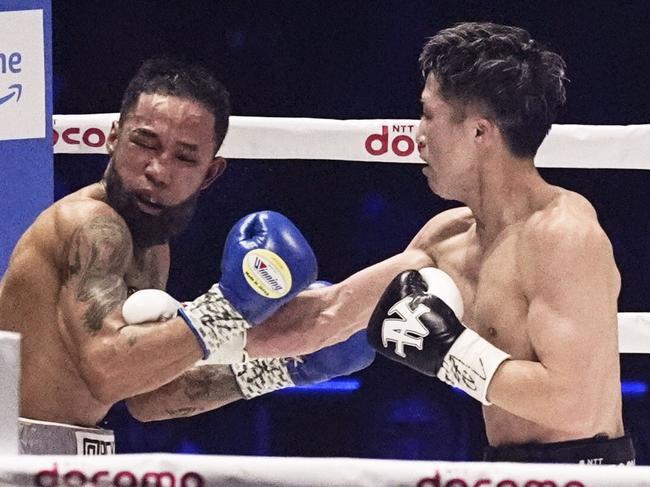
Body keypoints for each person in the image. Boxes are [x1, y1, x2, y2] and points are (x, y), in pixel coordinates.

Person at [210, 22, 632, 465]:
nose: (417, 135)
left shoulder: (564, 236)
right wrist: (192, 337)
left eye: (428, 115)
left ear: (480, 133)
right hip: (500, 464)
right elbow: (330, 314)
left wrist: (451, 354)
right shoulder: (447, 238)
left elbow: (571, 400)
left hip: (587, 469)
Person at [0, 58, 374, 455]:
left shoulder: (152, 248)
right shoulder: (90, 224)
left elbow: (148, 397)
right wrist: (231, 306)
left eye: (184, 157)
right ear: (113, 137)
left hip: (65, 454)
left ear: (210, 173)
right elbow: (108, 371)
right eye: (144, 143)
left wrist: (283, 370)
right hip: (13, 454)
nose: (158, 170)